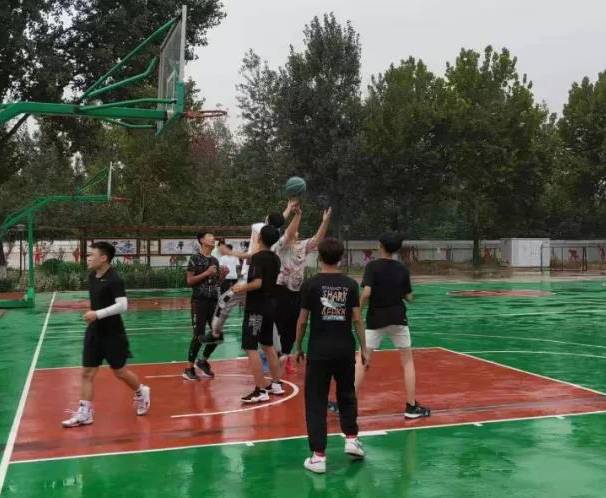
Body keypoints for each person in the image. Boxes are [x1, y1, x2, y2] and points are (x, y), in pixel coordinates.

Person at [295, 237, 368, 474]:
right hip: (345, 349)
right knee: (347, 394)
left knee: (316, 401)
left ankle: (318, 456)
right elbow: (357, 319)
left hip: (319, 351)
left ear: (319, 257)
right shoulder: (350, 284)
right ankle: (352, 439)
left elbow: (302, 320)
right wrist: (364, 348)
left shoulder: (311, 284)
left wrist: (298, 345)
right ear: (341, 257)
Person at [62, 242, 150, 427]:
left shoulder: (114, 279)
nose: (88, 258)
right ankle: (85, 413)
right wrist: (91, 311)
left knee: (120, 372)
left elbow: (123, 305)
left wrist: (97, 314)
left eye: (91, 255)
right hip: (94, 332)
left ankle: (141, 392)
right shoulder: (92, 276)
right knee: (87, 372)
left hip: (113, 334)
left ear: (103, 258)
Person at [354, 232, 430, 419]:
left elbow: (366, 293)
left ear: (380, 246)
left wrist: (358, 312)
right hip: (398, 318)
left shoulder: (372, 267)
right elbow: (409, 297)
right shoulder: (402, 269)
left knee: (363, 358)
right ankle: (411, 406)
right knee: (407, 361)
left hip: (376, 319)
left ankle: (347, 402)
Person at [210, 201, 297, 341]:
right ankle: (277, 348)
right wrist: (288, 210)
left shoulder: (258, 228)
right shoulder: (275, 237)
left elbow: (253, 255)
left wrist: (230, 253)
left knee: (224, 301)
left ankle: (215, 333)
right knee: (266, 317)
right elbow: (277, 221)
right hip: (265, 285)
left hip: (250, 278)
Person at [273, 205, 332, 374]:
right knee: (278, 326)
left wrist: (325, 221)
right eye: (293, 230)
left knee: (293, 327)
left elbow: (318, 239)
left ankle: (285, 355)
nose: (295, 232)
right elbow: (289, 232)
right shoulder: (281, 245)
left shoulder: (301, 246)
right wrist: (297, 215)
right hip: (280, 290)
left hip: (297, 292)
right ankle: (273, 355)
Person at [232, 225, 284, 403]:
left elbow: (257, 283)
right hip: (271, 306)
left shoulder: (257, 258)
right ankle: (276, 384)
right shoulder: (275, 258)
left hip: (257, 307)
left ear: (260, 238)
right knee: (268, 345)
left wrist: (240, 288)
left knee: (250, 346)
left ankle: (260, 390)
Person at [182, 232, 225, 381]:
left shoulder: (214, 260)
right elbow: (189, 281)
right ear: (202, 240)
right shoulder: (195, 258)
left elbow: (216, 283)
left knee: (218, 334)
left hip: (213, 302)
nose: (213, 239)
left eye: (214, 238)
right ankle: (189, 368)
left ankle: (203, 361)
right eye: (210, 237)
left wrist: (222, 276)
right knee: (198, 334)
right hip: (199, 302)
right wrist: (206, 272)